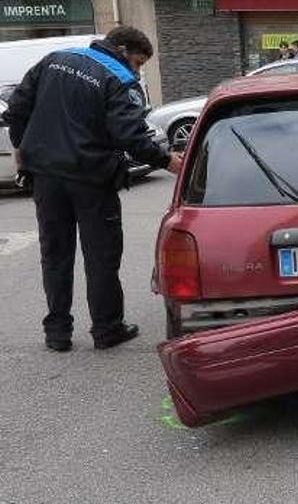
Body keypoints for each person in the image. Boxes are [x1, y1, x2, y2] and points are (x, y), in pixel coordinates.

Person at [0, 26, 182, 352]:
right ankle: (107, 329)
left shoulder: (53, 60)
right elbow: (131, 136)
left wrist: (23, 149)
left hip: (47, 177)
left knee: (55, 254)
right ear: (124, 50)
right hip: (92, 180)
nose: (136, 70)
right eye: (138, 63)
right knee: (101, 256)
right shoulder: (118, 78)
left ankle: (57, 333)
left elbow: (16, 110)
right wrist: (168, 160)